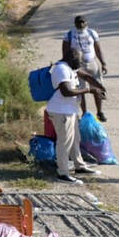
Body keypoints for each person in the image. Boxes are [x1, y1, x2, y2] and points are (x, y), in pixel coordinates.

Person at [46, 49, 105, 185]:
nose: (80, 64)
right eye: (78, 61)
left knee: (75, 140)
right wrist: (89, 90)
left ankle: (79, 166)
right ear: (71, 58)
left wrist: (100, 87)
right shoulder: (62, 69)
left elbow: (86, 76)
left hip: (70, 110)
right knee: (64, 142)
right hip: (61, 111)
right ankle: (63, 173)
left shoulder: (70, 67)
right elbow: (66, 91)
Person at [62, 15, 108, 122]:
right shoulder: (69, 34)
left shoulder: (92, 33)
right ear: (75, 23)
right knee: (80, 90)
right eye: (78, 22)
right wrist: (67, 65)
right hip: (77, 65)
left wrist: (103, 63)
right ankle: (84, 112)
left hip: (92, 63)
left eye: (83, 22)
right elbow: (65, 51)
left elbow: (98, 49)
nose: (81, 24)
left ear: (87, 23)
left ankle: (99, 112)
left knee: (97, 87)